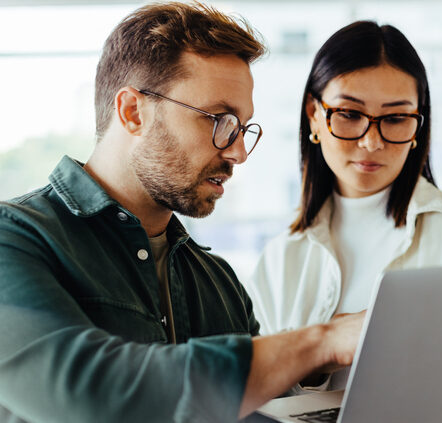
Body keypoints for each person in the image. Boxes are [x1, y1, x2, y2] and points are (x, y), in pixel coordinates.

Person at [0, 3, 366, 422]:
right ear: (132, 112)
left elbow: (263, 414)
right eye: (220, 120)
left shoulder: (219, 282)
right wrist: (320, 342)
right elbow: (90, 394)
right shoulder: (15, 239)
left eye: (243, 128)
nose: (238, 152)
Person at [249, 21, 442, 423]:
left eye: (394, 119)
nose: (371, 141)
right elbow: (257, 399)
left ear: (417, 126)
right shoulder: (281, 258)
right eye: (350, 114)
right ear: (314, 116)